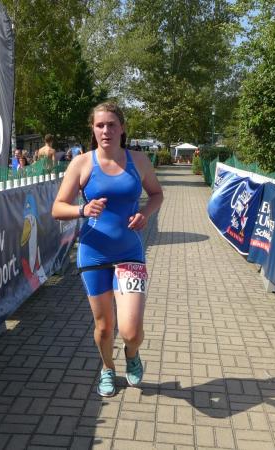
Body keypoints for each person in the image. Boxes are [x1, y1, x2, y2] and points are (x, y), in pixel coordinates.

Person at [51, 102, 163, 397]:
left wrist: (145, 213)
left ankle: (132, 353)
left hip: (129, 253)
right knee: (104, 327)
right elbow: (57, 208)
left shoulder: (139, 160)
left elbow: (156, 194)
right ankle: (107, 368)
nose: (106, 130)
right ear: (93, 129)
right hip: (94, 254)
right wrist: (83, 209)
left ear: (122, 128)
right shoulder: (81, 163)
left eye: (111, 124)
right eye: (100, 125)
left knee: (131, 331)